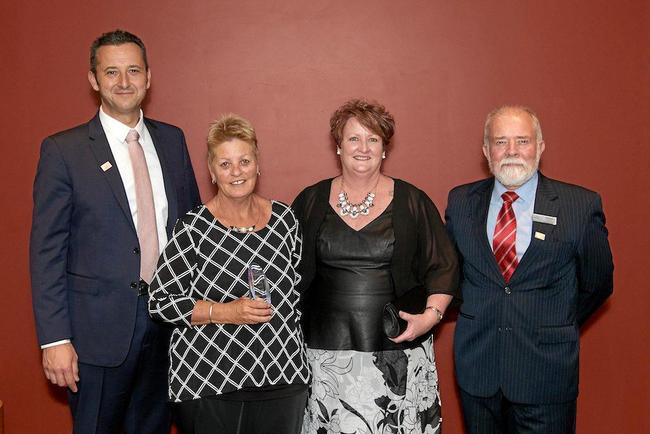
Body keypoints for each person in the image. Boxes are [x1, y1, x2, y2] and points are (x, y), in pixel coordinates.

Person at [29, 29, 200, 433]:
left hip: (168, 328)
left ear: (148, 77)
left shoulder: (172, 141)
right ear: (93, 80)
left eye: (133, 70)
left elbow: (192, 232)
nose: (124, 82)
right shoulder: (63, 151)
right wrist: (54, 339)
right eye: (111, 72)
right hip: (95, 336)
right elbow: (46, 253)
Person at [293, 99, 459, 433]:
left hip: (396, 356)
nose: (363, 148)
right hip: (325, 358)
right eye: (354, 139)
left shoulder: (413, 201)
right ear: (338, 146)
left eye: (373, 139)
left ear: (385, 148)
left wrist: (430, 317)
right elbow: (286, 269)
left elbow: (444, 266)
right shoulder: (309, 201)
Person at [445, 105, 614, 434]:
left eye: (522, 141)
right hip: (478, 371)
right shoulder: (460, 202)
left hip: (545, 375)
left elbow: (598, 284)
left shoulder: (579, 206)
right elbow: (451, 276)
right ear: (485, 151)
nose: (511, 151)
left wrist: (553, 320)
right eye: (500, 142)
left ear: (540, 146)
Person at [148, 114, 310, 434]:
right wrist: (227, 311)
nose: (236, 172)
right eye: (225, 164)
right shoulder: (193, 228)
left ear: (257, 164)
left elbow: (298, 293)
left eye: (244, 161)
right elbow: (159, 301)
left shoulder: (285, 220)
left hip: (283, 378)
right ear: (211, 172)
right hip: (211, 383)